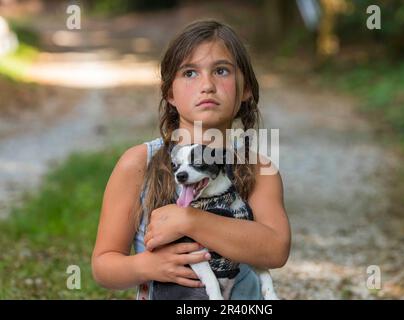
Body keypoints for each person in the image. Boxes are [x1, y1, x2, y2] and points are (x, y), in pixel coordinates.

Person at [91, 19, 291, 300]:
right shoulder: (139, 162)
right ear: (169, 93)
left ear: (246, 89)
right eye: (189, 73)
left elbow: (275, 250)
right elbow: (104, 265)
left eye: (221, 71)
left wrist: (190, 220)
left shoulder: (259, 168)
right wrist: (144, 265)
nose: (207, 85)